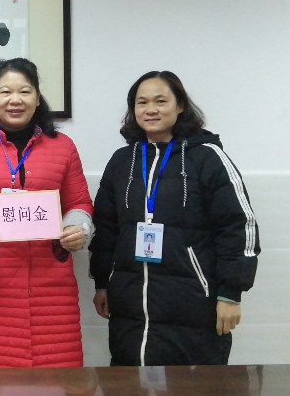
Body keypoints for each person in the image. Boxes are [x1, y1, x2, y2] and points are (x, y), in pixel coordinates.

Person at [89, 71, 260, 366]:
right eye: (142, 102)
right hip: (129, 307)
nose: (150, 109)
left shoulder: (207, 158)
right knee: (129, 380)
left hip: (193, 305)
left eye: (160, 101)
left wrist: (230, 294)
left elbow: (238, 227)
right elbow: (106, 228)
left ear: (180, 105)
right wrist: (102, 283)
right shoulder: (122, 160)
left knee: (193, 384)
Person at [0, 57, 94, 368]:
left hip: (53, 288)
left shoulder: (63, 146)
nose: (15, 100)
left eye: (25, 91)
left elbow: (79, 203)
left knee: (58, 377)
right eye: (5, 91)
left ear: (37, 98)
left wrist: (79, 228)